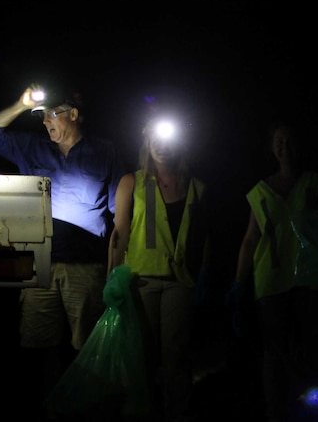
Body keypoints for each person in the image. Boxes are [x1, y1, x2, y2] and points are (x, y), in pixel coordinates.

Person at [0, 82, 125, 420]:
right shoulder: (31, 147)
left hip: (86, 267)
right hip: (39, 265)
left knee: (86, 348)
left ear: (74, 114)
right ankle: (48, 409)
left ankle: (87, 410)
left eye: (52, 114)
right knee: (39, 346)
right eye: (40, 116)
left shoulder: (106, 150)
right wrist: (20, 103)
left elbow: (119, 218)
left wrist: (116, 269)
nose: (45, 122)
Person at [229, 118, 318, 422]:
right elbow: (251, 238)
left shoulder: (316, 183)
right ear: (271, 148)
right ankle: (276, 410)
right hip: (271, 281)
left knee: (313, 349)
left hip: (310, 281)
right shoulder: (260, 191)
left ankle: (316, 408)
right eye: (278, 141)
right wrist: (240, 282)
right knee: (274, 353)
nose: (284, 146)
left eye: (289, 140)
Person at [108, 112, 211, 422]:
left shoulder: (196, 187)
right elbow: (119, 232)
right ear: (147, 144)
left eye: (167, 140)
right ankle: (143, 410)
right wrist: (112, 276)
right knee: (143, 355)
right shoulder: (132, 182)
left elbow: (204, 236)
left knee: (176, 355)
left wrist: (204, 273)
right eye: (155, 139)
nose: (161, 146)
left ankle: (176, 411)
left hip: (180, 280)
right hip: (141, 281)